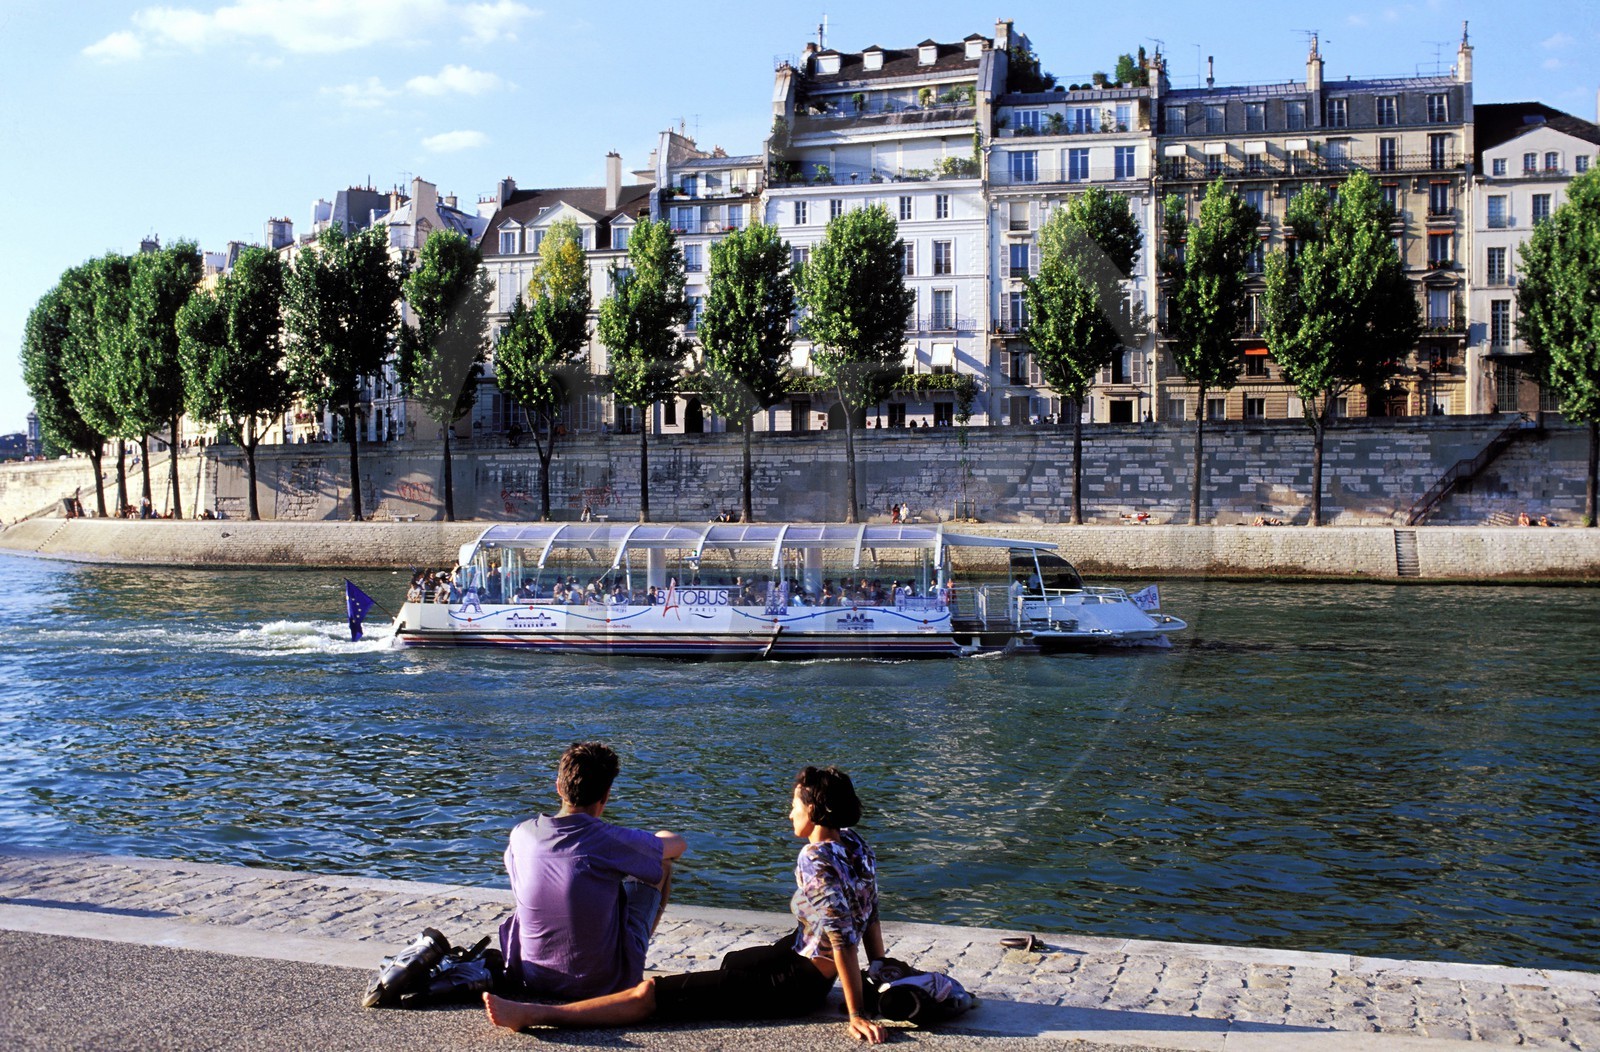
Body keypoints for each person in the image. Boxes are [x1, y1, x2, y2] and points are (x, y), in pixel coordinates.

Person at [485, 765, 886, 1045]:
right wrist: (881, 970)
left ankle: (537, 1015)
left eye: (795, 806)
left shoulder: (813, 859)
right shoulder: (854, 843)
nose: (789, 812)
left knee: (651, 995)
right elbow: (870, 911)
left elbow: (841, 936)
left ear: (813, 811)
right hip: (805, 959)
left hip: (802, 981)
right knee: (735, 962)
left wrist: (855, 1013)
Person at [498, 742, 687, 1002]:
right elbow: (677, 844)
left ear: (558, 787)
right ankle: (630, 965)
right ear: (606, 795)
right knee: (661, 865)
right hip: (601, 985)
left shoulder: (521, 834)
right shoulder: (607, 839)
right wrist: (655, 841)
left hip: (532, 977)